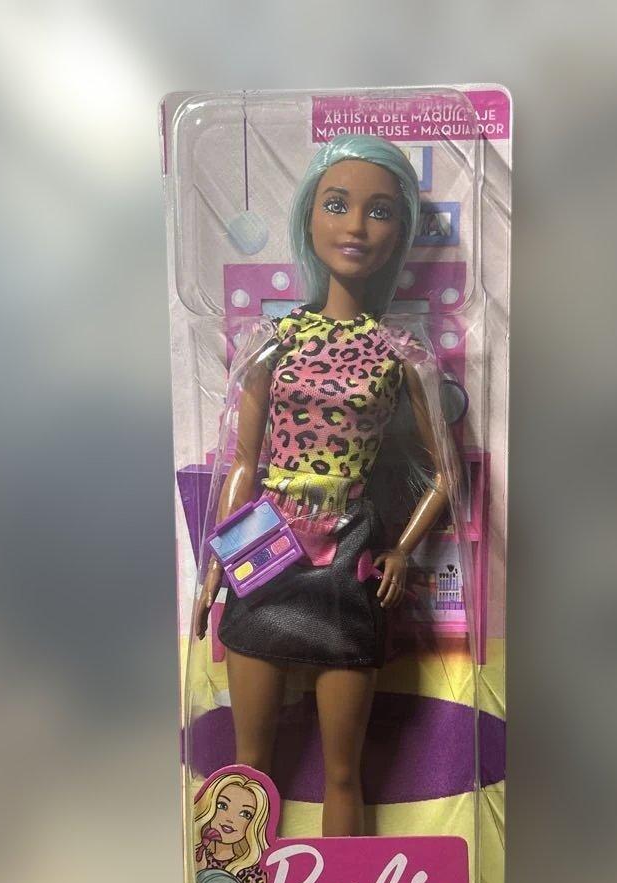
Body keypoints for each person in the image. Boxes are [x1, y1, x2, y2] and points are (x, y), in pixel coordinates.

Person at [192, 135, 454, 837]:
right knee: (249, 764)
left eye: (380, 211)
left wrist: (402, 550)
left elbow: (444, 474)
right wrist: (216, 562)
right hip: (265, 548)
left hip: (348, 560)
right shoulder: (273, 343)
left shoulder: (402, 354)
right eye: (337, 204)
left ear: (400, 232)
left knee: (344, 770)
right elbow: (242, 461)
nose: (356, 226)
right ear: (308, 215)